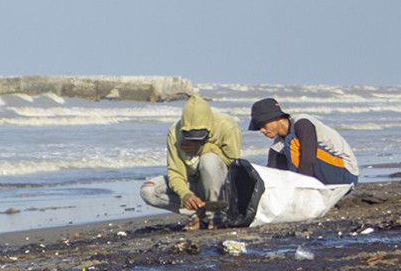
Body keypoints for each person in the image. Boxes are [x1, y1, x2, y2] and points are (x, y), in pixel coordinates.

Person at [140, 94, 242, 230]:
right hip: (194, 184)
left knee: (208, 160)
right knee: (148, 190)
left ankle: (216, 216)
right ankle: (197, 215)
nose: (193, 140)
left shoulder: (227, 127)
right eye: (190, 136)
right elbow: (175, 173)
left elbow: (232, 161)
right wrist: (185, 194)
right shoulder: (175, 133)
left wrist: (203, 148)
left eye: (198, 136)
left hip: (222, 189)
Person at [249, 97, 358, 185]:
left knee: (292, 143)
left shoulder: (302, 123)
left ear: (276, 118)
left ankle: (303, 187)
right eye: (259, 127)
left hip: (345, 174)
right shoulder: (277, 146)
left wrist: (300, 189)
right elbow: (272, 174)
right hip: (322, 175)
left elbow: (308, 161)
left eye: (263, 125)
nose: (262, 130)